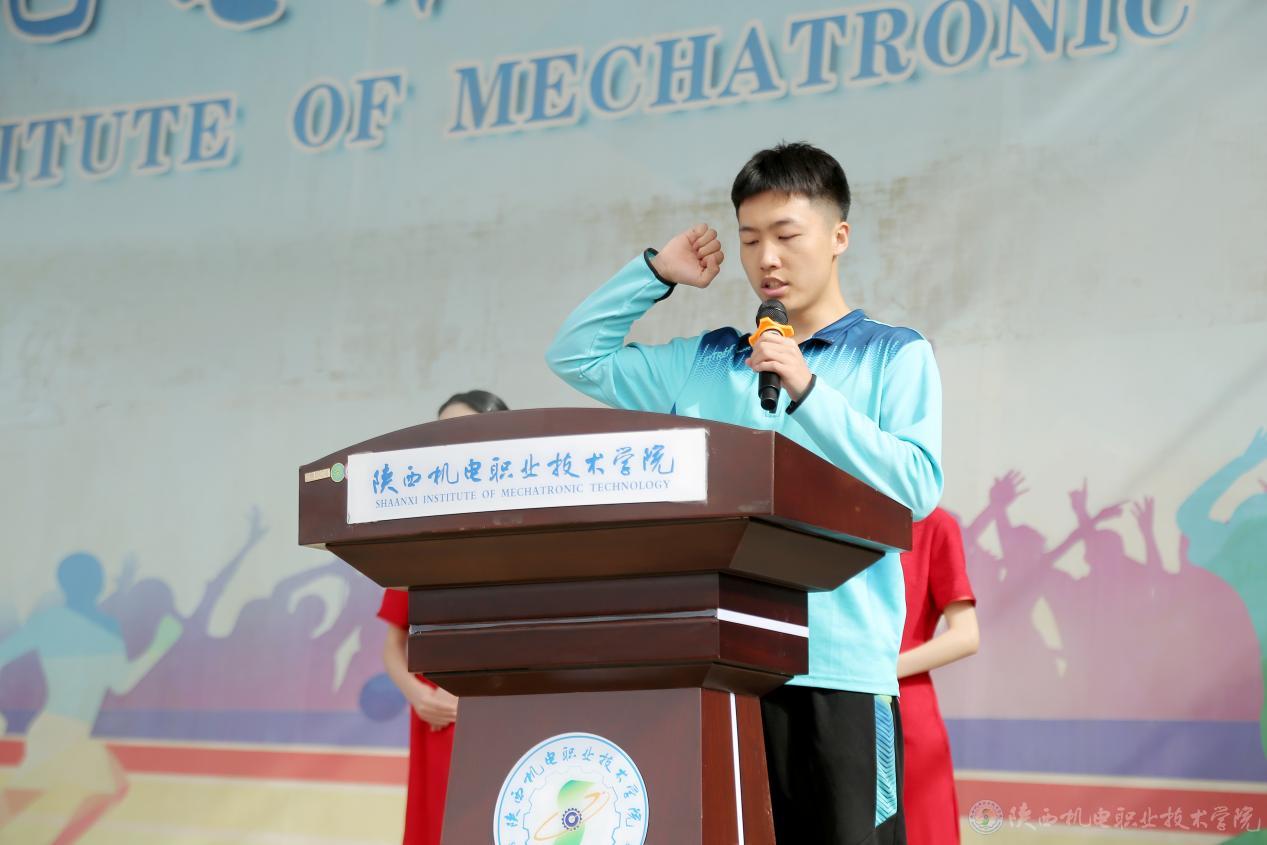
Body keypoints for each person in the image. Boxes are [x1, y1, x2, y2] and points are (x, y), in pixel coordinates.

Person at [546, 142, 942, 843]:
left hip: (840, 672)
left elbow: (915, 489)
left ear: (838, 236)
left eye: (786, 235)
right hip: (722, 666)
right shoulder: (709, 360)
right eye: (750, 239)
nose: (767, 258)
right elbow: (576, 356)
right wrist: (653, 274)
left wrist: (809, 390)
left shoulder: (894, 353)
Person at [377, 389, 509, 845]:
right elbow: (394, 645)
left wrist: (482, 699)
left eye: (462, 431)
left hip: (501, 716)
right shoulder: (418, 532)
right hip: (437, 718)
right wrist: (418, 695)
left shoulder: (525, 528)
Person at [896, 507, 978, 844]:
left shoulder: (933, 525)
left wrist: (879, 671)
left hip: (906, 713)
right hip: (831, 708)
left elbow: (966, 635)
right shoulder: (830, 518)